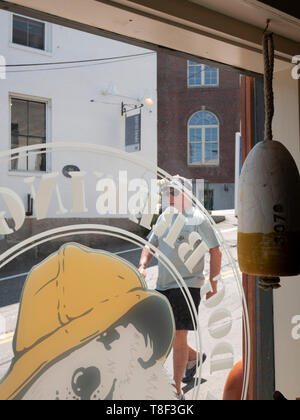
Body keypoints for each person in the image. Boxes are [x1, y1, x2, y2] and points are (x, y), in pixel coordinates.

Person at [138, 176, 222, 399]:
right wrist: (142, 264)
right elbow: (150, 243)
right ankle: (193, 357)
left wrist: (213, 282)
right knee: (168, 336)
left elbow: (216, 250)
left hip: (187, 284)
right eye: (168, 193)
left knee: (178, 334)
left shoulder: (198, 219)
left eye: (174, 192)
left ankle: (175, 389)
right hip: (163, 285)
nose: (170, 197)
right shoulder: (165, 217)